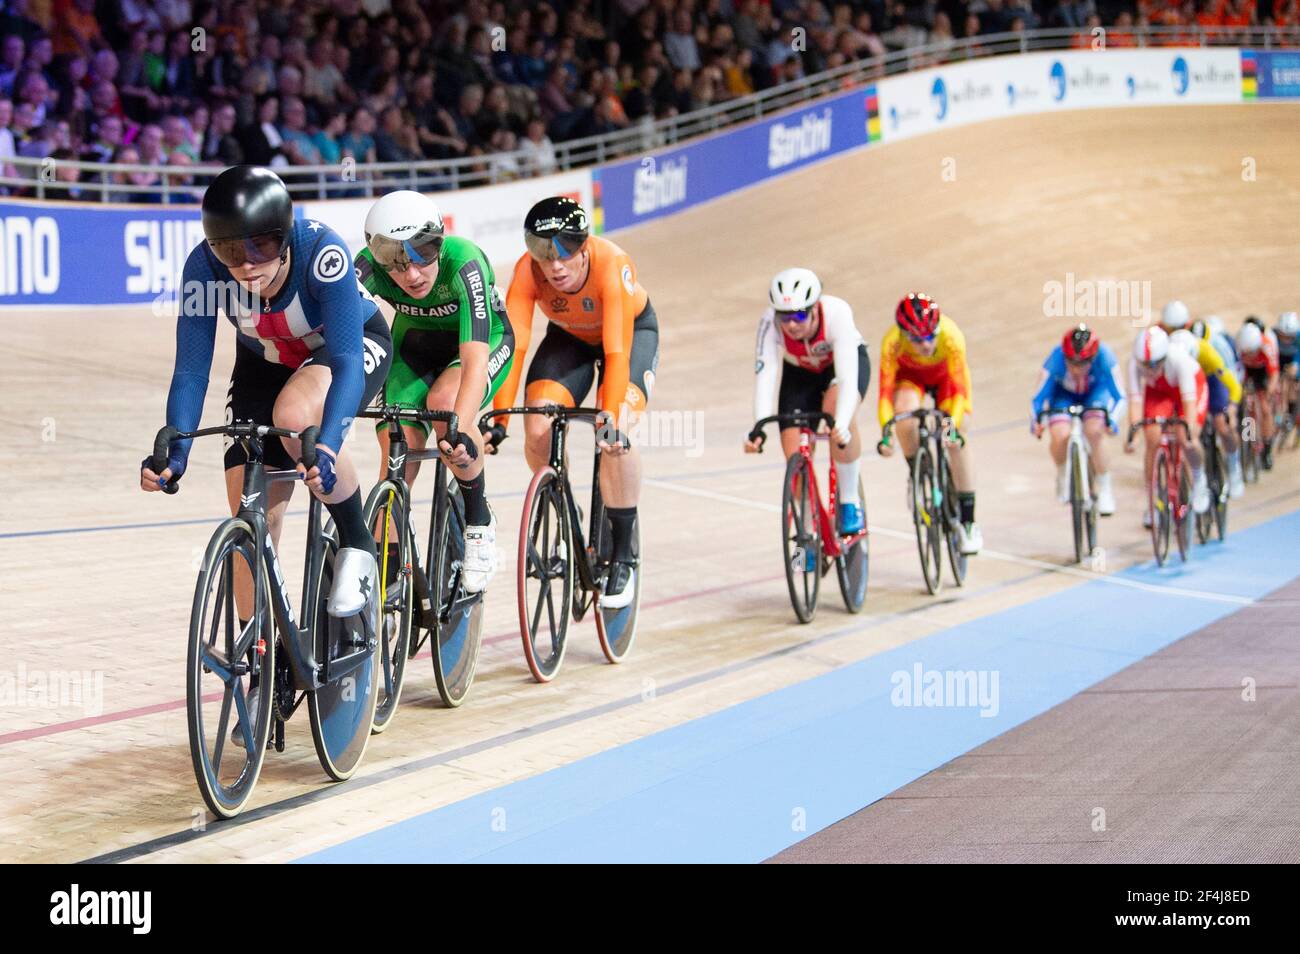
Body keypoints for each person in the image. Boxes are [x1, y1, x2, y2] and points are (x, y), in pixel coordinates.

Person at [140, 165, 393, 639]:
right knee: (251, 516)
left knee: (296, 417)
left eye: (264, 246)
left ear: (287, 237)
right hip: (264, 363)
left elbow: (343, 357)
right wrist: (178, 451)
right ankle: (258, 662)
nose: (249, 263)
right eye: (232, 250)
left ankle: (358, 543)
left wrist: (331, 445)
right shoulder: (203, 269)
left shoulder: (323, 253)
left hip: (344, 350)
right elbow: (192, 369)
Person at [495, 197, 659, 609]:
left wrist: (612, 414)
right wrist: (500, 419)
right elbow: (515, 346)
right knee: (536, 422)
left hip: (629, 335)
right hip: (569, 339)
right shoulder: (526, 270)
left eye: (565, 250)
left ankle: (623, 554)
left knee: (612, 436)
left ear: (585, 246)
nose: (555, 265)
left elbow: (618, 352)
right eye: (543, 251)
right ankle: (563, 505)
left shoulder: (611, 262)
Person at [355, 191, 515, 593]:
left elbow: (474, 359)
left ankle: (479, 523)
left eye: (423, 254)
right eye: (396, 262)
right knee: (398, 447)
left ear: (440, 241)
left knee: (446, 409)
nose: (412, 275)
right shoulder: (364, 268)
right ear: (378, 257)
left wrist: (460, 426)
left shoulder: (465, 262)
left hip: (482, 343)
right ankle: (388, 585)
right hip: (416, 348)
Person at [744, 268, 870, 540]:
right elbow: (765, 375)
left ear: (815, 307)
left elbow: (847, 377)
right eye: (784, 317)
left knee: (836, 411)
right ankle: (807, 538)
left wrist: (843, 422)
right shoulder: (768, 323)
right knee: (794, 453)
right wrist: (758, 427)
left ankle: (850, 502)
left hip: (840, 368)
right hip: (800, 374)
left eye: (800, 315)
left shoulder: (837, 313)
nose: (791, 325)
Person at [876, 293, 981, 554]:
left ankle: (969, 523)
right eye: (916, 338)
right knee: (904, 414)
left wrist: (951, 427)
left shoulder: (952, 336)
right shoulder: (891, 343)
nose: (925, 344)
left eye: (930, 336)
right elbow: (885, 394)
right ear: (903, 333)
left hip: (947, 382)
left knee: (956, 441)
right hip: (911, 380)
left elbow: (958, 390)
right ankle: (916, 472)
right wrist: (886, 433)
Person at [1030, 323, 1124, 515]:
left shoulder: (1106, 357)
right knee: (1059, 434)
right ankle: (1063, 472)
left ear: (1093, 358)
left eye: (1082, 363)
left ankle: (1105, 487)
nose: (1075, 368)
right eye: (1071, 362)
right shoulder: (1055, 359)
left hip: (1096, 393)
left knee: (1094, 431)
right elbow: (1038, 398)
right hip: (1064, 395)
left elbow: (1120, 396)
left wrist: (1112, 420)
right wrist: (1037, 422)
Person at [1125, 326, 1210, 524]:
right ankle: (1151, 502)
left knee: (1187, 438)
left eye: (1154, 365)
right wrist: (1133, 435)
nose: (1149, 370)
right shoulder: (1134, 364)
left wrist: (1189, 428)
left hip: (1188, 389)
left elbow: (1189, 405)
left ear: (1164, 357)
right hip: (1160, 392)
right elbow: (1135, 403)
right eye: (1145, 365)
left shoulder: (1179, 360)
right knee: (1152, 438)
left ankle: (1199, 479)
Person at [1169, 323, 1245, 497]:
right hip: (1186, 386)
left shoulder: (1209, 354)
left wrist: (1231, 408)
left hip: (1211, 381)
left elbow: (1233, 386)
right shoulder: (1173, 358)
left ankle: (1234, 465)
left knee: (1222, 424)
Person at [1236, 319, 1281, 470]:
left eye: (1252, 352)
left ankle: (1267, 449)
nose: (1249, 354)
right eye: (1246, 352)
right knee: (1244, 400)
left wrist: (1268, 392)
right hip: (1246, 371)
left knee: (1264, 407)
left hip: (1263, 372)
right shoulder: (1238, 344)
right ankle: (1247, 438)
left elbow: (1274, 374)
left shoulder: (1267, 345)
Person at [1273, 311, 1300, 431]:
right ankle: (1278, 410)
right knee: (1277, 383)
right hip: (1279, 358)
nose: (1286, 340)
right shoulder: (1273, 334)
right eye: (1283, 335)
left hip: (1294, 358)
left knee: (1292, 383)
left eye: (1290, 337)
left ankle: (1290, 412)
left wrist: (1296, 370)